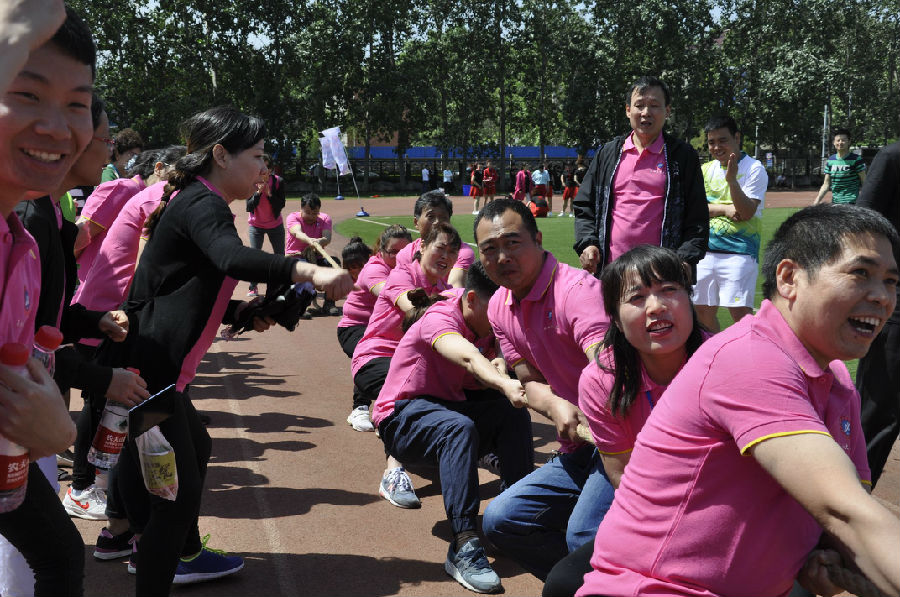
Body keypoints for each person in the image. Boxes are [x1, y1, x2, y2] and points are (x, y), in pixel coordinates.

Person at [577, 204, 900, 597]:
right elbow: (845, 512)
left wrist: (821, 554)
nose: (882, 296)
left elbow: (847, 517)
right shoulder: (748, 358)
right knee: (575, 533)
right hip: (659, 588)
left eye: (891, 281)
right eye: (860, 273)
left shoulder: (838, 384)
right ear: (789, 278)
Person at [102, 106, 352, 597]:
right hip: (150, 373)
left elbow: (187, 289)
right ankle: (155, 555)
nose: (263, 168)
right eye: (256, 156)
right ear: (220, 155)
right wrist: (306, 270)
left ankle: (150, 541)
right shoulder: (203, 202)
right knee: (175, 499)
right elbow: (230, 258)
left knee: (192, 450)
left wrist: (243, 312)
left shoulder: (198, 200)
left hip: (156, 371)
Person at [542, 244, 708, 597]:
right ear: (615, 319)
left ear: (689, 298)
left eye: (669, 289)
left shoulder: (723, 362)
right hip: (654, 506)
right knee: (563, 584)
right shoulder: (602, 381)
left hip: (725, 503)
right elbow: (622, 475)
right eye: (637, 297)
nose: (656, 306)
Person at [0, 4, 96, 595]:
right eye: (27, 94)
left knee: (59, 554)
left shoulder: (23, 241)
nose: (58, 128)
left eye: (77, 104)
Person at [371, 262, 533, 594]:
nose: (503, 319)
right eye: (497, 311)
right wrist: (502, 380)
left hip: (446, 409)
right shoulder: (440, 317)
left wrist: (501, 363)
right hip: (401, 419)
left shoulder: (488, 319)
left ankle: (513, 519)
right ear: (471, 300)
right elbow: (468, 357)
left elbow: (512, 359)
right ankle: (464, 545)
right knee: (458, 428)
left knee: (511, 414)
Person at [474, 199, 611, 581]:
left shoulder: (578, 292)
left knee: (583, 533)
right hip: (579, 445)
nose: (502, 257)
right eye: (490, 249)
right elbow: (529, 379)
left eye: (512, 243)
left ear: (538, 239)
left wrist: (588, 411)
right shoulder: (499, 305)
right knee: (502, 520)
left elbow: (606, 366)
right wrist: (555, 405)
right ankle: (582, 585)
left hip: (622, 441)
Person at [352, 223, 461, 507]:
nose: (446, 256)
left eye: (453, 251)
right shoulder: (402, 275)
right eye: (440, 247)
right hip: (375, 357)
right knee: (408, 394)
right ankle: (393, 472)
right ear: (422, 246)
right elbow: (413, 310)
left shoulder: (444, 288)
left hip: (413, 364)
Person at [573, 76, 707, 276]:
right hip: (612, 272)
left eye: (654, 105)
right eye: (639, 105)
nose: (646, 112)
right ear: (628, 110)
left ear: (667, 111)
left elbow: (697, 217)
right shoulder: (608, 154)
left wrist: (686, 258)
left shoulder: (682, 156)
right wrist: (588, 243)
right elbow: (585, 205)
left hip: (663, 274)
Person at [692, 115, 768, 332]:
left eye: (722, 140)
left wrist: (732, 181)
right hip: (705, 252)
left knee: (741, 315)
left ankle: (753, 351)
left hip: (740, 252)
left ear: (737, 138)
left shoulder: (754, 169)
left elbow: (746, 212)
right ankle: (717, 350)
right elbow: (695, 210)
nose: (716, 147)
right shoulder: (705, 170)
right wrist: (725, 209)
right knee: (702, 313)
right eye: (711, 142)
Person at [855, 139, 900, 486]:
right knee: (879, 409)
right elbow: (861, 229)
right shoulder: (892, 157)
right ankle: (847, 499)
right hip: (895, 303)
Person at [338, 226, 412, 431]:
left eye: (404, 251)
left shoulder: (411, 267)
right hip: (356, 325)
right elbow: (388, 293)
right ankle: (359, 408)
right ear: (381, 251)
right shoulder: (375, 269)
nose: (399, 256)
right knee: (371, 357)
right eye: (393, 252)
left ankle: (388, 410)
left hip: (384, 329)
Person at [74, 147, 157, 282]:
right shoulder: (124, 188)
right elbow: (82, 234)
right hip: (94, 282)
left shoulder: (149, 195)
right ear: (158, 169)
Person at [396, 190, 474, 288]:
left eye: (443, 217)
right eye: (431, 216)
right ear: (416, 222)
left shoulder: (461, 251)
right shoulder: (406, 253)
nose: (437, 222)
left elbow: (455, 284)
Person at [285, 193, 340, 316]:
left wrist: (320, 241)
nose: (311, 216)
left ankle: (329, 303)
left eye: (315, 213)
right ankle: (299, 306)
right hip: (296, 257)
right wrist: (310, 240)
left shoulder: (325, 218)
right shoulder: (292, 217)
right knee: (304, 269)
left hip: (316, 257)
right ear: (301, 209)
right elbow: (297, 232)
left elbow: (327, 237)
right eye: (308, 212)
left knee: (334, 264)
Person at [246, 153, 286, 296]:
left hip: (275, 225)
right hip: (256, 226)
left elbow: (281, 204)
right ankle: (253, 287)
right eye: (260, 167)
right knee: (254, 257)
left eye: (266, 167)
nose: (263, 170)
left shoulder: (278, 181)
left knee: (280, 256)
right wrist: (258, 193)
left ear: (270, 169)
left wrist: (269, 194)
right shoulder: (251, 182)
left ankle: (281, 286)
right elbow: (249, 207)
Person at [813, 128, 866, 206]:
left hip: (852, 203)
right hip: (835, 203)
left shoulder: (856, 159)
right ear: (834, 142)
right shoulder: (830, 160)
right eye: (838, 140)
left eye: (843, 140)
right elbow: (826, 184)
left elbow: (864, 182)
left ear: (849, 142)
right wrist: (817, 201)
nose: (840, 142)